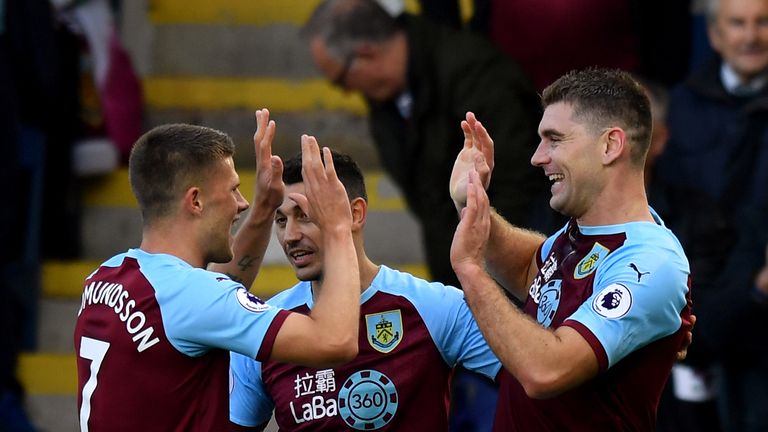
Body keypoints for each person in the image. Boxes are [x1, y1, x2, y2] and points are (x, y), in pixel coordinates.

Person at [73, 110, 361, 431]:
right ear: (195, 201)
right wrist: (337, 225)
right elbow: (335, 342)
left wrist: (266, 207)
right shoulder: (190, 296)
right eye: (233, 189)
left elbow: (211, 292)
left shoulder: (105, 277)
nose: (242, 203)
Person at [448, 68, 693, 430]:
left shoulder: (651, 263)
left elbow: (546, 370)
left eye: (554, 139)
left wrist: (470, 270)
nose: (537, 157)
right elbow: (531, 272)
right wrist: (470, 204)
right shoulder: (583, 234)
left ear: (611, 145)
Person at [229, 150, 501, 431]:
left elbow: (534, 381)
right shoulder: (265, 327)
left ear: (356, 214)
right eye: (282, 220)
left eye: (306, 216)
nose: (290, 236)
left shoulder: (435, 307)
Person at [302, 0, 551, 290]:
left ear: (366, 52)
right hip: (463, 272)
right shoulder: (387, 103)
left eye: (342, 80)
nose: (346, 92)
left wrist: (488, 274)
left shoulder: (475, 75)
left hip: (516, 268)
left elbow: (517, 183)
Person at [656, 0, 768, 429]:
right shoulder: (681, 108)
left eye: (762, 22)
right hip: (699, 298)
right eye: (737, 23)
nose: (751, 35)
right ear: (715, 35)